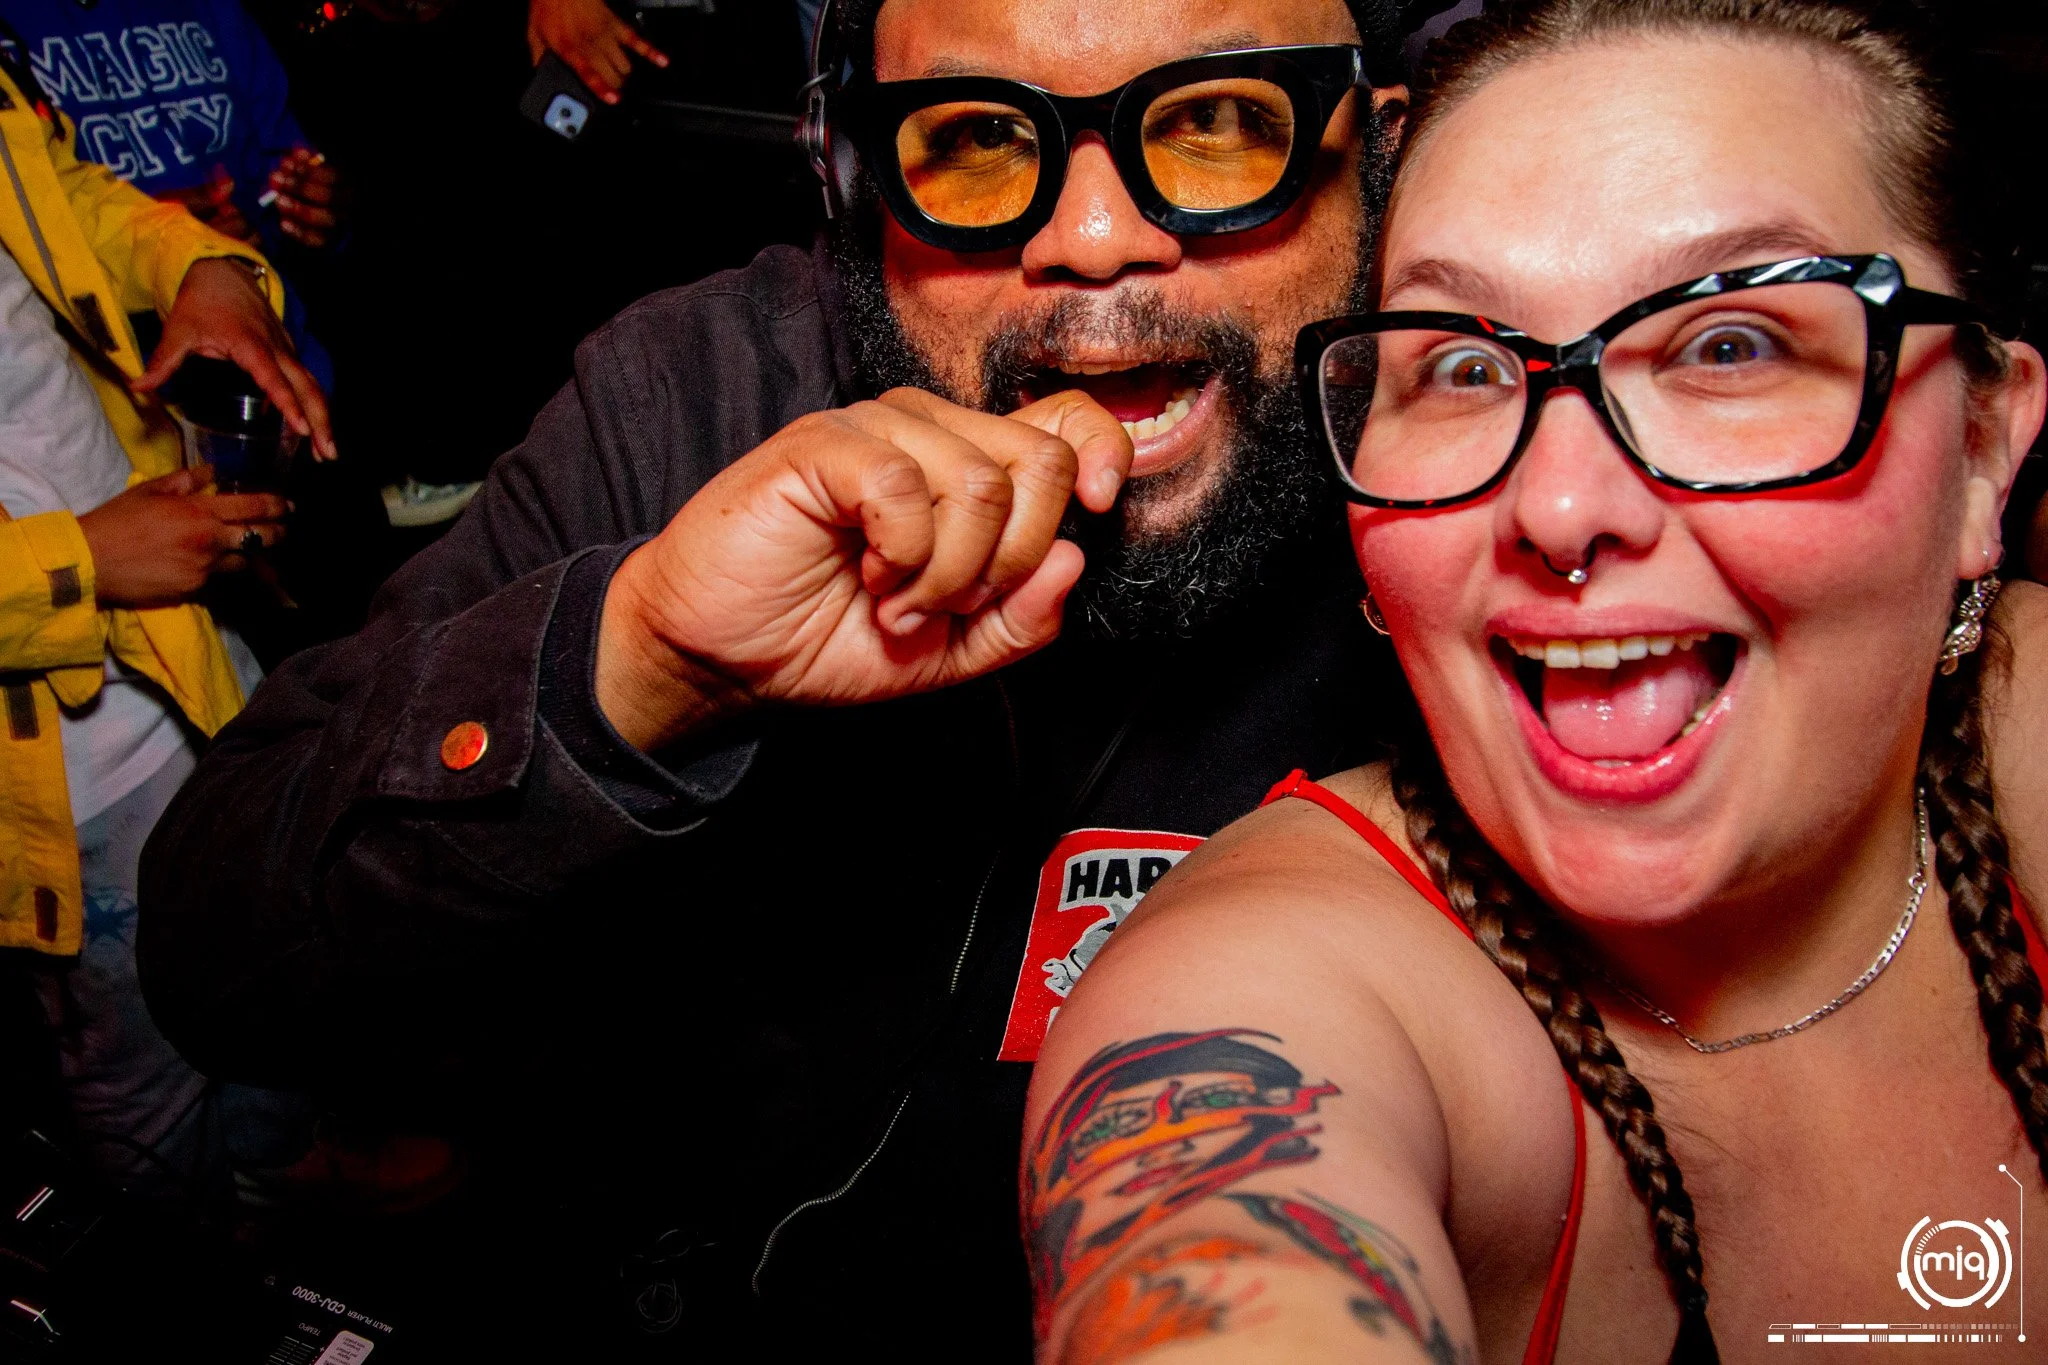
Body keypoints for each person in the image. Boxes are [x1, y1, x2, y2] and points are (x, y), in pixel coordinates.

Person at [139, 0, 1425, 1350]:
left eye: (1218, 124)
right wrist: (634, 672)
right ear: (852, 176)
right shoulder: (694, 398)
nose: (1093, 239)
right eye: (979, 138)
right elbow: (217, 956)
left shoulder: (1485, 496)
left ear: (1383, 156)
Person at [1024, 1, 2048, 1360]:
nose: (1559, 505)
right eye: (1461, 367)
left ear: (1981, 450)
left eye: (1730, 346)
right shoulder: (1260, 983)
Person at [0, 34, 334, 1197]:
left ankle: (285, 1185)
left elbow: (60, 193)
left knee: (262, 948)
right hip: (50, 753)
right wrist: (82, 562)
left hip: (172, 627)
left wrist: (205, 263)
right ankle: (188, 1272)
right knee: (142, 1076)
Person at [0, 0, 350, 398]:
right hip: (111, 400)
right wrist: (164, 235)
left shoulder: (215, 9)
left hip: (276, 376)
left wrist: (313, 207)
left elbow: (278, 161)